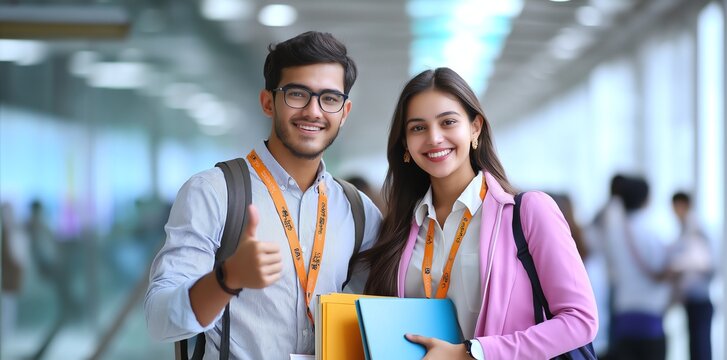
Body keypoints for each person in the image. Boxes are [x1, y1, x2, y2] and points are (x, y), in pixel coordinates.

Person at [144, 31, 382, 359]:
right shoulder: (214, 192)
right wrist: (228, 278)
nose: (314, 111)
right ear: (268, 102)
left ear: (344, 111)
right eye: (297, 94)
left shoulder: (360, 212)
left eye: (329, 98)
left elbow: (373, 323)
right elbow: (160, 319)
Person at [360, 67, 597, 359]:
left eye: (447, 122)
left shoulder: (528, 212)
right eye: (418, 128)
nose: (434, 138)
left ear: (475, 128)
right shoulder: (399, 227)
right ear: (405, 144)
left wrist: (473, 353)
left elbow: (580, 320)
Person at [604, 176, 671, 360]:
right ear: (646, 199)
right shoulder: (651, 230)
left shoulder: (614, 231)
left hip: (623, 314)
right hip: (650, 317)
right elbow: (662, 267)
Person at [668, 192, 713, 360]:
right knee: (697, 348)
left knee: (700, 348)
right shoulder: (686, 228)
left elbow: (702, 261)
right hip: (693, 299)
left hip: (700, 299)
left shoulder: (694, 229)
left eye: (676, 207)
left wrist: (675, 265)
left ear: (683, 205)